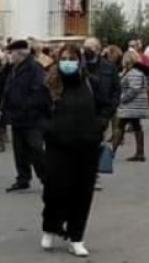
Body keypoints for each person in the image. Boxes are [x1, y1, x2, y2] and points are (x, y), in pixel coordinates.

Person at [40, 46, 102, 258]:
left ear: (80, 61)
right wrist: (48, 129)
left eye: (72, 59)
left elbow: (107, 104)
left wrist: (99, 126)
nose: (68, 62)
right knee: (55, 190)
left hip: (87, 146)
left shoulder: (91, 83)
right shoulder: (50, 84)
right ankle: (50, 226)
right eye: (64, 59)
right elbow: (38, 111)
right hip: (58, 147)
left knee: (82, 192)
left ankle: (77, 237)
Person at [1, 39, 50, 192]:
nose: (9, 56)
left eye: (11, 53)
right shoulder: (13, 69)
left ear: (19, 53)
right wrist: (3, 105)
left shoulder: (35, 68)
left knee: (35, 148)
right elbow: (8, 89)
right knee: (19, 150)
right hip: (17, 116)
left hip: (33, 117)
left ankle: (46, 178)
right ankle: (23, 178)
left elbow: (38, 92)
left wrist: (27, 107)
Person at [113, 51, 149, 161]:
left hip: (131, 105)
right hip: (134, 105)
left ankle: (111, 151)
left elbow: (134, 89)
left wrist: (122, 99)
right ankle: (140, 152)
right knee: (136, 126)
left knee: (120, 126)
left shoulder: (134, 73)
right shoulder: (132, 72)